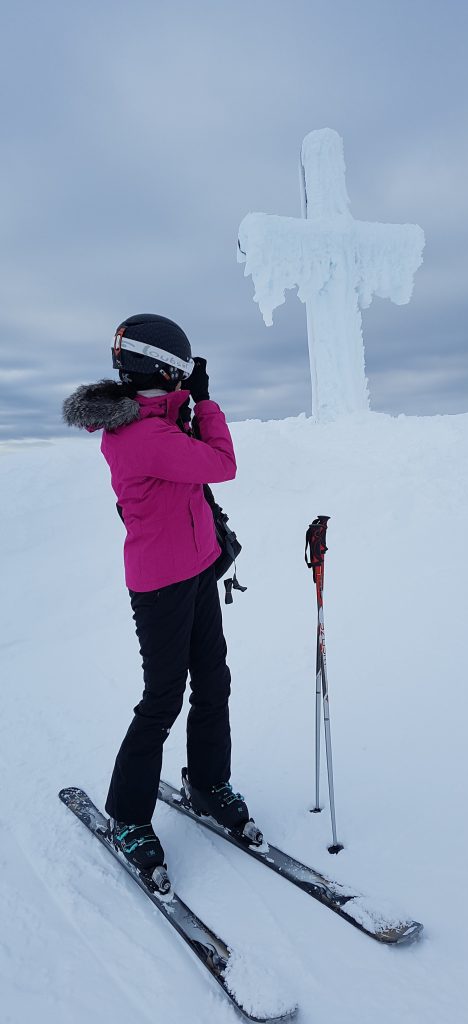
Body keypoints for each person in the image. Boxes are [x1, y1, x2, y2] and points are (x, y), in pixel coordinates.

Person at [63, 314, 256, 893]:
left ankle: (207, 783)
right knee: (163, 699)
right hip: (160, 587)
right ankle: (127, 816)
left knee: (214, 681)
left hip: (197, 570)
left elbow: (182, 443)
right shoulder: (144, 438)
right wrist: (207, 403)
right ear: (166, 367)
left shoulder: (156, 422)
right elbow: (222, 463)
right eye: (179, 369)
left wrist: (186, 403)